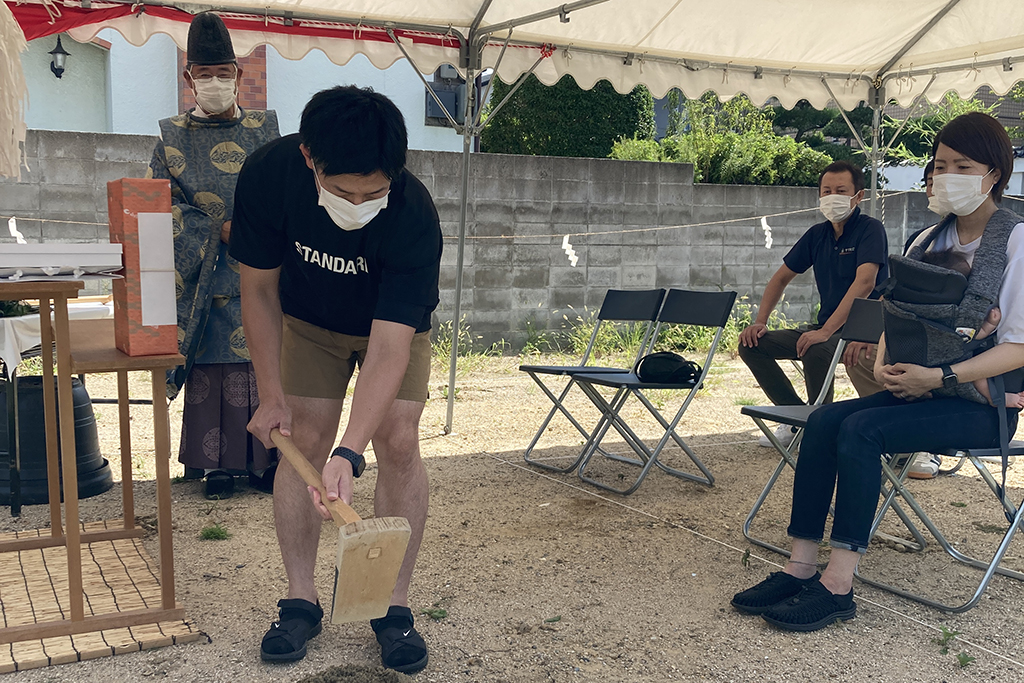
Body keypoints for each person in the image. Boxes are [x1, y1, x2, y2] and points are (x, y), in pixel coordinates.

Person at [731, 112, 1024, 632]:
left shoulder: (1018, 243)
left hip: (981, 406)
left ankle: (838, 585)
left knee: (863, 430)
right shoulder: (925, 242)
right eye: (938, 164)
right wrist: (888, 359)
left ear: (994, 172)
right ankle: (800, 566)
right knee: (823, 423)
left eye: (962, 165)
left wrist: (939, 378)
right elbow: (899, 314)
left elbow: (1018, 348)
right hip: (920, 390)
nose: (944, 175)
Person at [229, 86, 441, 673]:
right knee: (303, 436)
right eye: (344, 191)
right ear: (308, 158)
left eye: (373, 191)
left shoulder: (413, 213)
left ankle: (392, 607)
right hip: (309, 320)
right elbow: (259, 290)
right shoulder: (270, 176)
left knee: (397, 438)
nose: (359, 202)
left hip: (390, 328)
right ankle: (301, 599)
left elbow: (391, 345)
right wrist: (270, 395)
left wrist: (353, 451)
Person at [149, 12, 281, 500]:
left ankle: (267, 460)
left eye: (223, 73)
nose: (214, 83)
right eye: (204, 75)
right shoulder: (169, 140)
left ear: (239, 75)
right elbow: (157, 205)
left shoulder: (267, 131)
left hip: (262, 269)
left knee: (263, 363)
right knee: (214, 367)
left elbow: (287, 192)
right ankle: (216, 466)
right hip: (203, 278)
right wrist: (213, 229)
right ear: (189, 79)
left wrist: (252, 230)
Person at [739, 160, 888, 448]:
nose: (832, 196)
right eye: (826, 190)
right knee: (750, 344)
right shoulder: (817, 235)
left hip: (864, 329)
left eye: (841, 190)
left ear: (859, 196)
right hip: (827, 326)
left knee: (817, 346)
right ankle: (797, 419)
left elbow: (866, 283)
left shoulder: (871, 229)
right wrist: (760, 322)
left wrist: (825, 331)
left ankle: (821, 424)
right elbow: (780, 278)